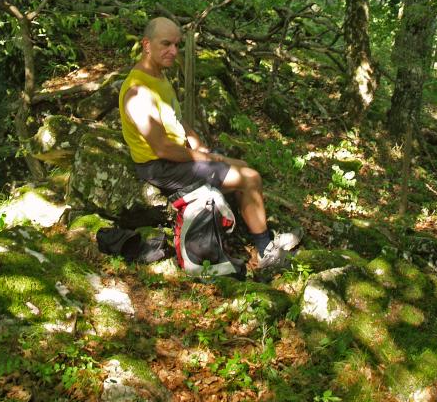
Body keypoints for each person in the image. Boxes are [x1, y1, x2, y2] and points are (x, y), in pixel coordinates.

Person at [118, 16, 303, 273]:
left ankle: (257, 238)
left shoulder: (158, 76)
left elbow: (175, 119)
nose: (174, 51)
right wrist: (202, 158)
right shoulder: (138, 91)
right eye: (166, 44)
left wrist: (194, 139)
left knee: (243, 167)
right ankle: (266, 251)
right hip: (160, 166)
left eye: (177, 44)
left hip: (175, 157)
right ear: (146, 45)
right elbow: (162, 149)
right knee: (249, 177)